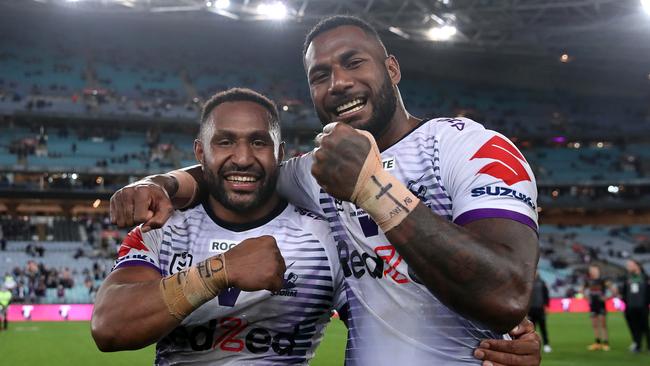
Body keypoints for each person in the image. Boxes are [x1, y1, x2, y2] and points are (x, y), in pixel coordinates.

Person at [109, 16, 541, 365]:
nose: (338, 83)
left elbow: (504, 293)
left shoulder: (469, 147)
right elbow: (240, 172)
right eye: (321, 75)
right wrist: (162, 183)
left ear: (391, 68)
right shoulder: (316, 172)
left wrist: (372, 189)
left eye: (354, 63)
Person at [92, 88, 346, 364]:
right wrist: (217, 272)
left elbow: (381, 326)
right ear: (201, 152)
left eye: (259, 142)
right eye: (225, 142)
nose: (243, 159)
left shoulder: (326, 240)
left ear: (279, 153)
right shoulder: (161, 229)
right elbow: (109, 328)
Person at [619, 259, 650, 353]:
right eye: (628, 265)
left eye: (630, 265)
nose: (628, 267)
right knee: (633, 327)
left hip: (642, 306)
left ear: (637, 265)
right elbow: (623, 292)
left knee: (645, 327)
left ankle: (649, 346)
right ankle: (637, 345)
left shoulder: (645, 277)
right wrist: (624, 302)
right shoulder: (626, 278)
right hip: (630, 307)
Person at [584, 265, 613, 351]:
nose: (593, 271)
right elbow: (581, 290)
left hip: (601, 304)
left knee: (603, 324)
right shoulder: (588, 281)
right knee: (594, 325)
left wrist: (607, 297)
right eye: (591, 270)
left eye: (594, 269)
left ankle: (606, 343)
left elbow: (613, 289)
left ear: (598, 270)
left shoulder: (603, 280)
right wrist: (587, 298)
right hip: (593, 305)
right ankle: (597, 343)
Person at [528, 272, 551, 353]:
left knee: (543, 328)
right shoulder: (528, 282)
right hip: (530, 309)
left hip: (540, 308)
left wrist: (547, 306)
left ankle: (546, 344)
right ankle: (533, 345)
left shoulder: (542, 282)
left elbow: (546, 295)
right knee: (531, 329)